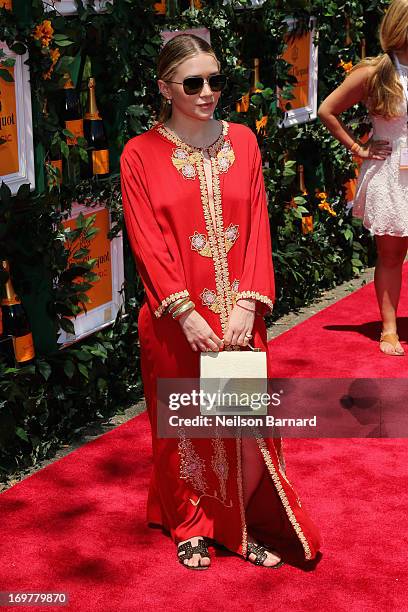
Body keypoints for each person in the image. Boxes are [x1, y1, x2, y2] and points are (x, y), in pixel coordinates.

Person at [120, 33, 320, 570]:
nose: (207, 91)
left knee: (243, 428)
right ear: (166, 88)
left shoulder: (245, 142)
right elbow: (146, 240)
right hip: (175, 320)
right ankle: (191, 526)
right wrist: (183, 313)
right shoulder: (139, 154)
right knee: (185, 429)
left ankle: (238, 526)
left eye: (215, 80)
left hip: (237, 315)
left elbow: (258, 227)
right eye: (193, 82)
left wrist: (250, 305)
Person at [318, 0, 408, 356]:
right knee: (391, 255)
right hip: (392, 173)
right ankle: (388, 329)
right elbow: (327, 109)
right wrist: (359, 147)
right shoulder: (376, 71)